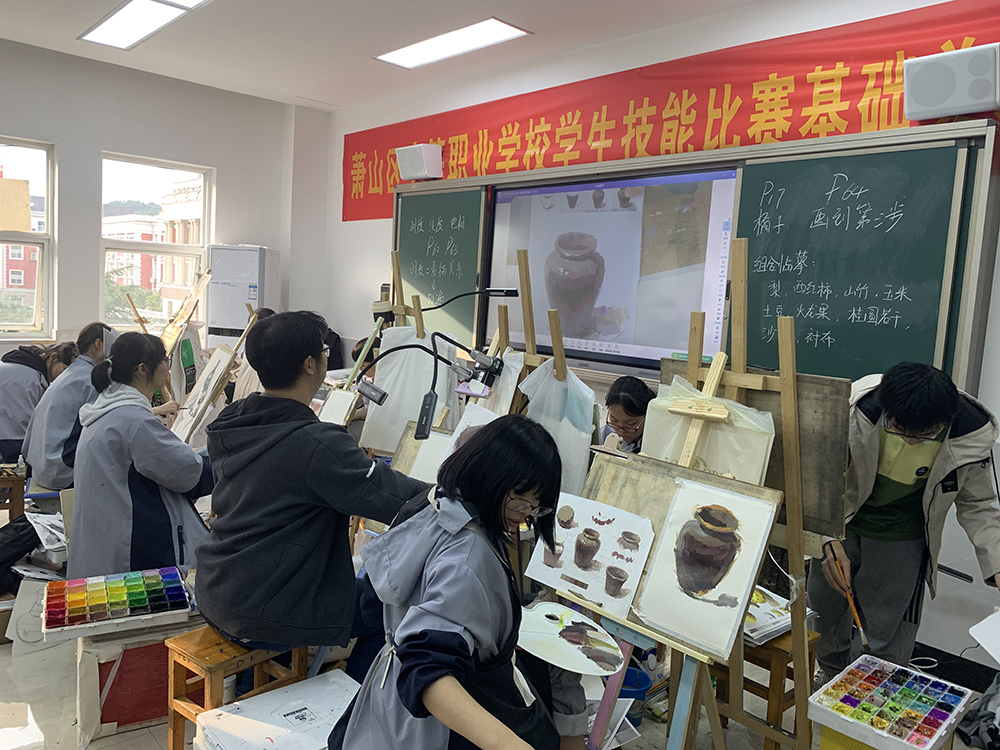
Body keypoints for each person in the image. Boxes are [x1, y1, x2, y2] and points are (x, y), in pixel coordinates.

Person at [194, 311, 429, 670]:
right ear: (309, 364)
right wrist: (458, 488)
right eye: (323, 350)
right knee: (393, 608)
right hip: (266, 606)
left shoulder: (237, 419)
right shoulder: (316, 444)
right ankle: (354, 701)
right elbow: (396, 498)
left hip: (217, 587)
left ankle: (254, 679)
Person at [330, 415, 563, 750]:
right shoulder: (467, 556)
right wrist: (506, 744)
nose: (526, 511)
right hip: (441, 721)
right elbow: (429, 667)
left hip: (391, 693)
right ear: (486, 471)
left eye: (537, 503)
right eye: (519, 495)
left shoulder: (436, 504)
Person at [809, 362, 1000, 685]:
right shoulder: (857, 410)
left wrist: (996, 564)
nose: (910, 441)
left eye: (924, 436)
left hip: (902, 537)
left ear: (945, 422)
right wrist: (827, 539)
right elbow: (818, 477)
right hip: (842, 522)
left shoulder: (969, 434)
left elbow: (979, 504)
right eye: (899, 430)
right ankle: (828, 674)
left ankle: (867, 692)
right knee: (824, 610)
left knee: (884, 630)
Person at [68, 333, 212, 579]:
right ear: (143, 369)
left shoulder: (106, 408)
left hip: (102, 539)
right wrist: (227, 454)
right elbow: (188, 474)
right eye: (164, 360)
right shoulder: (134, 420)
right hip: (127, 550)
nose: (167, 367)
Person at [24, 323, 120, 488]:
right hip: (61, 469)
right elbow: (103, 427)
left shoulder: (73, 372)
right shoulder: (90, 379)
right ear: (98, 344)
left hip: (41, 467)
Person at [0, 342, 77, 463]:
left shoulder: (22, 370)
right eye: (64, 370)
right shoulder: (28, 380)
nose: (65, 378)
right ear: (53, 358)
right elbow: (17, 433)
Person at [599, 375, 656, 453]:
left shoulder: (656, 443)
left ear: (647, 416)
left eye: (631, 424)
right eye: (614, 420)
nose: (621, 431)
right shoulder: (607, 432)